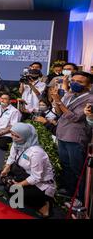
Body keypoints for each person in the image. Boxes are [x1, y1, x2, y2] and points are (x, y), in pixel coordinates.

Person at [0, 122, 55, 218]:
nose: (14, 138)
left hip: (41, 183)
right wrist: (6, 167)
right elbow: (12, 157)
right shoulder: (17, 143)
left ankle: (44, 205)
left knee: (13, 190)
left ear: (25, 136)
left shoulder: (36, 153)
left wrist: (19, 184)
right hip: (23, 173)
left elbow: (36, 177)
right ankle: (17, 188)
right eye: (12, 134)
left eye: (17, 136)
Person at [51, 71, 93, 208]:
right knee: (66, 165)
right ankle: (69, 191)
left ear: (89, 85)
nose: (75, 83)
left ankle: (80, 198)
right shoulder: (70, 94)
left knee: (77, 169)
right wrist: (57, 101)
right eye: (73, 80)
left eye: (80, 82)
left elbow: (75, 117)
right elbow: (58, 112)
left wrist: (58, 101)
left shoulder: (90, 99)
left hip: (75, 137)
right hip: (62, 134)